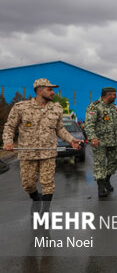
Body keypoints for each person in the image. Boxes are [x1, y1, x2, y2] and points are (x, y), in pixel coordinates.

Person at [2, 79, 82, 209]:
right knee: (28, 184)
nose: (53, 92)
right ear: (39, 91)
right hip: (28, 152)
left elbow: (60, 129)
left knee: (48, 183)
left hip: (48, 151)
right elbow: (10, 126)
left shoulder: (56, 108)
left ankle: (45, 211)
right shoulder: (21, 107)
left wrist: (71, 140)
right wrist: (8, 142)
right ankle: (35, 197)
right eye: (49, 89)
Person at [84, 87, 117, 198]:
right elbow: (89, 124)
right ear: (107, 95)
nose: (115, 96)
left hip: (113, 141)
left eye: (115, 94)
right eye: (113, 94)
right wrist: (92, 138)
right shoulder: (94, 106)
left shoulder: (114, 108)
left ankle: (107, 180)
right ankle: (101, 188)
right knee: (100, 165)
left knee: (113, 163)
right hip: (100, 143)